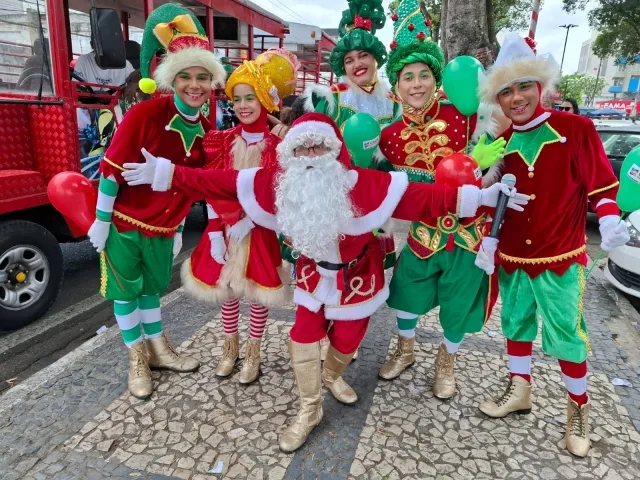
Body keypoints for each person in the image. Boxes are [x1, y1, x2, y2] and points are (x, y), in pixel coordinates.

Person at [122, 112, 530, 451]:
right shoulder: (276, 185)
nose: (311, 155)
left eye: (319, 146)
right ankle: (309, 408)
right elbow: (217, 182)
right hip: (314, 279)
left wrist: (481, 197)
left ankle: (333, 375)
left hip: (357, 282)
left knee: (347, 343)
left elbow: (425, 198)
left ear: (335, 151)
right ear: (291, 153)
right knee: (301, 337)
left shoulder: (366, 185)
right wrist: (165, 171)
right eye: (302, 148)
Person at [474, 33, 631, 457]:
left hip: (559, 258)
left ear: (540, 86)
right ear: (498, 99)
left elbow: (602, 186)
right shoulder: (499, 145)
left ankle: (578, 407)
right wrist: (488, 236)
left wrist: (612, 218)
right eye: (505, 90)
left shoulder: (576, 128)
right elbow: (491, 200)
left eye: (524, 85)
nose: (517, 97)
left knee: (566, 335)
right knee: (516, 325)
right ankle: (519, 389)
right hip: (512, 257)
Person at [86, 4, 226, 399]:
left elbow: (195, 185)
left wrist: (181, 226)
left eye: (202, 76)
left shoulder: (207, 129)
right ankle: (136, 357)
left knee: (150, 290)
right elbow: (112, 169)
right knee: (126, 292)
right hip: (126, 223)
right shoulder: (145, 114)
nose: (194, 85)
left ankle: (159, 348)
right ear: (172, 77)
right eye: (185, 76)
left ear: (211, 80)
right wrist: (101, 220)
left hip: (164, 229)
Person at [376, 0, 505, 399]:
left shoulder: (464, 113)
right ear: (396, 86)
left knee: (458, 304)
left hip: (467, 237)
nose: (416, 84)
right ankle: (406, 349)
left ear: (436, 77)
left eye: (424, 75)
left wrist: (482, 166)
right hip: (422, 234)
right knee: (407, 294)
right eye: (407, 78)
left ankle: (446, 362)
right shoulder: (388, 135)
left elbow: (494, 153)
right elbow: (389, 189)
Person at [182, 49, 298, 384]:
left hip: (260, 231)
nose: (243, 106)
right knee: (229, 291)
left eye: (250, 98)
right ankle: (229, 348)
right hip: (226, 228)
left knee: (257, 293)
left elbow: (278, 194)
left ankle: (253, 352)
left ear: (264, 100)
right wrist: (218, 229)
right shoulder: (222, 141)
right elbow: (214, 189)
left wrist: (254, 219)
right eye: (237, 99)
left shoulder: (278, 146)